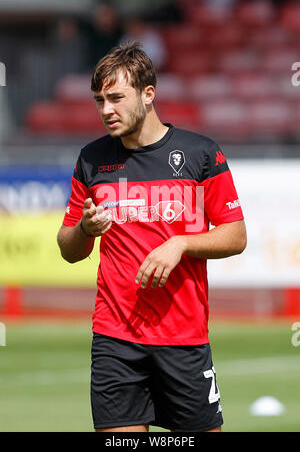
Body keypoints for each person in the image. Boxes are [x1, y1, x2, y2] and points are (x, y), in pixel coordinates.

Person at [57, 41, 247, 433]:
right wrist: (84, 230)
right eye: (99, 101)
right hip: (115, 338)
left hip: (183, 337)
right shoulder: (91, 160)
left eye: (115, 98)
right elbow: (69, 249)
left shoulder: (200, 153)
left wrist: (181, 243)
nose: (106, 110)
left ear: (148, 94)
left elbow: (236, 235)